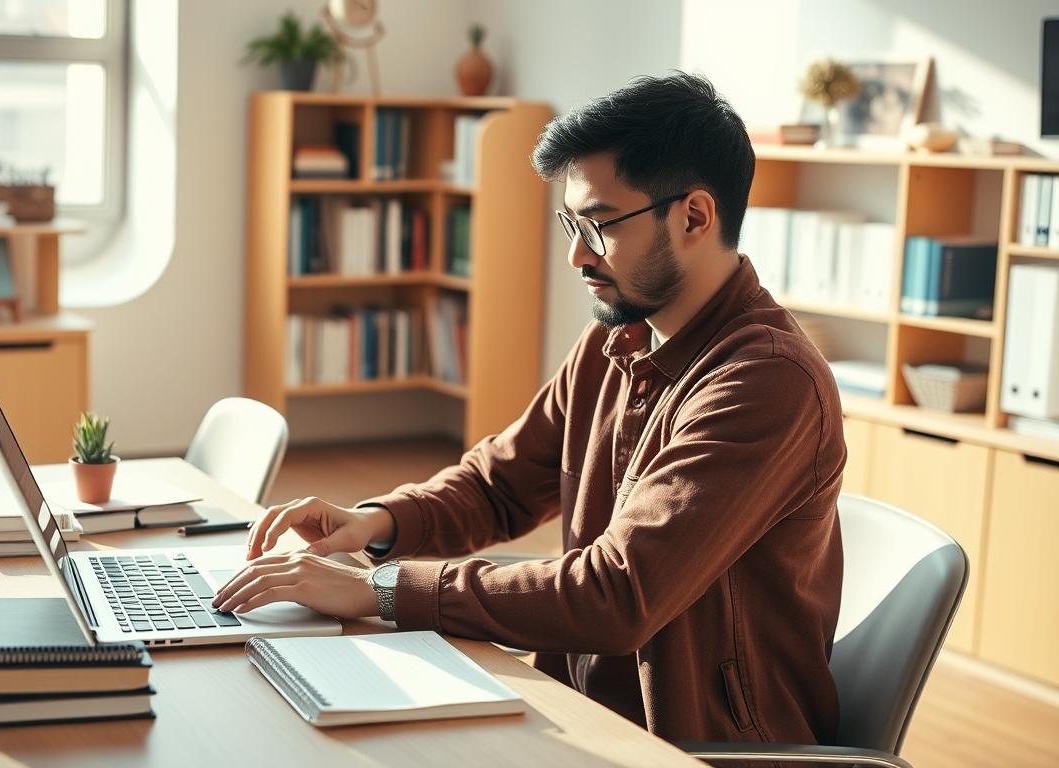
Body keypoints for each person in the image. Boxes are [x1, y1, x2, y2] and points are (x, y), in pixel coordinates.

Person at [213, 71, 845, 748]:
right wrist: (376, 522)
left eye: (599, 225)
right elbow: (499, 484)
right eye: (571, 222)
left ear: (694, 216)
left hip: (697, 746)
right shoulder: (614, 338)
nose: (577, 254)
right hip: (581, 715)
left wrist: (382, 590)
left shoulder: (766, 380)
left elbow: (616, 595)